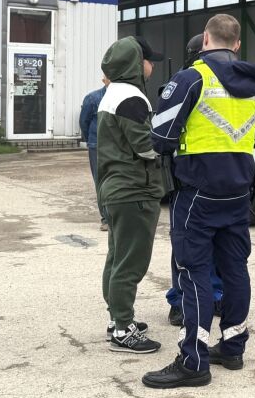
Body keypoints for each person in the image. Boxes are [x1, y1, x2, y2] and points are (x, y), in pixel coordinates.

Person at [141, 14, 255, 389]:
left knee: (193, 271)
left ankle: (193, 361)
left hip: (197, 191)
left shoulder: (191, 78)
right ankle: (233, 348)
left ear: (205, 39)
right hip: (238, 192)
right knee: (235, 269)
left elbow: (161, 138)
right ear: (237, 44)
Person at [97, 35, 165, 353]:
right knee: (131, 263)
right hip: (134, 189)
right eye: (149, 61)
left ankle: (117, 319)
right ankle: (124, 330)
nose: (152, 67)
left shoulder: (112, 93)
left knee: (117, 258)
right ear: (138, 64)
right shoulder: (132, 98)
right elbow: (146, 147)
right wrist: (173, 143)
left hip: (116, 188)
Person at [162, 33, 224, 327]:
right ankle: (195, 299)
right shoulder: (190, 81)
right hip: (209, 179)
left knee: (199, 245)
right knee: (199, 245)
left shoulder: (197, 80)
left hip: (204, 179)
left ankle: (196, 298)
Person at [79, 77, 110, 231]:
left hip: (115, 145)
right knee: (100, 181)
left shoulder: (123, 96)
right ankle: (106, 219)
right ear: (104, 79)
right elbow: (83, 122)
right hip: (97, 146)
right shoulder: (92, 98)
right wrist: (91, 140)